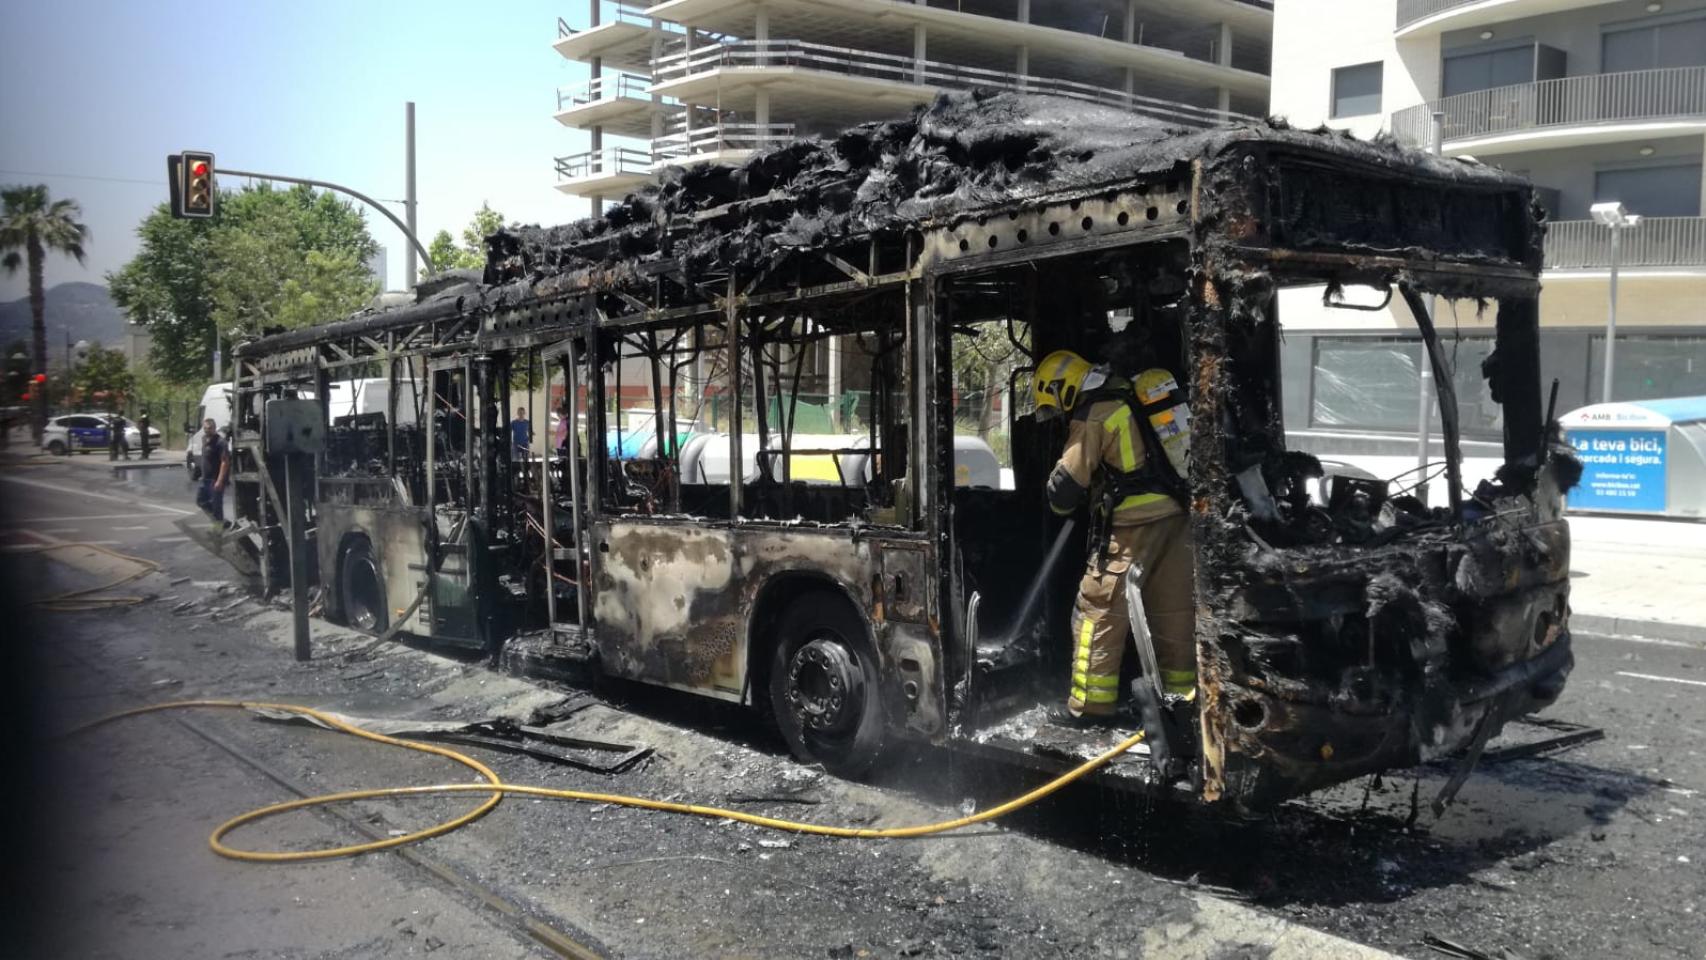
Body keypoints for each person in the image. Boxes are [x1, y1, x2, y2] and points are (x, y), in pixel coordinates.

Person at [1032, 348, 1195, 726]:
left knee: (1097, 612)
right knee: (1174, 615)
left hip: (1130, 531)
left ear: (1064, 389)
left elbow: (1067, 485)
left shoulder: (1096, 414)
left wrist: (1057, 504)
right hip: (1177, 522)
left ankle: (1090, 709)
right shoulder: (1136, 394)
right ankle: (1182, 706)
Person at [194, 418, 229, 525]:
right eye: (205, 428)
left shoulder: (220, 442)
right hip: (205, 479)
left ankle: (218, 530)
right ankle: (221, 522)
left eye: (209, 428)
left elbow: (225, 462)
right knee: (200, 501)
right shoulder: (204, 439)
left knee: (217, 506)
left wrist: (219, 480)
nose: (207, 430)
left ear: (214, 428)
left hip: (215, 479)